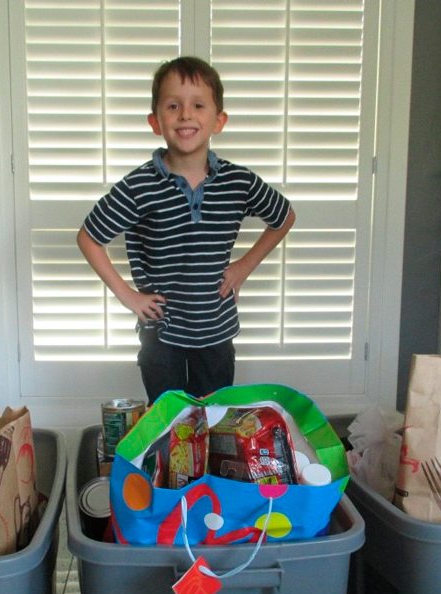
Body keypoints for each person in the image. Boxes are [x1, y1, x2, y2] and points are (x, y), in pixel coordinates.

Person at [77, 56, 295, 404]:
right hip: (162, 334)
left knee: (214, 421)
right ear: (155, 121)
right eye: (173, 105)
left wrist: (243, 267)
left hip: (216, 330)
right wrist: (128, 296)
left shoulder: (238, 182)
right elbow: (89, 237)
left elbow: (283, 217)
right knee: (170, 428)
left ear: (218, 120)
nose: (186, 115)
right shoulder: (139, 186)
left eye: (198, 105)